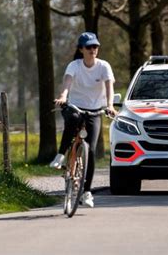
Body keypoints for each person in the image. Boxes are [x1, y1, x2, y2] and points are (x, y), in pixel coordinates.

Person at [49, 32, 117, 208]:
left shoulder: (104, 66)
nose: (93, 50)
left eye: (95, 46)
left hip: (95, 111)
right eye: (89, 47)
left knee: (92, 151)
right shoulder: (75, 65)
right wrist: (63, 97)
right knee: (72, 120)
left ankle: (87, 192)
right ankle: (60, 155)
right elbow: (67, 83)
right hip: (75, 107)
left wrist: (109, 105)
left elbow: (109, 87)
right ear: (81, 49)